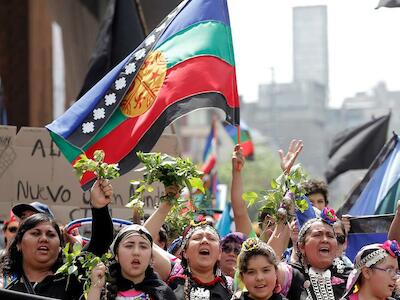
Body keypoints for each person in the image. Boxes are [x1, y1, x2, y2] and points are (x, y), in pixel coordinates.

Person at [2, 179, 114, 299]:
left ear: (61, 247)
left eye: (51, 234)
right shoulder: (7, 293)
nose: (44, 239)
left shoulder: (73, 278)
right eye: (35, 233)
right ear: (18, 244)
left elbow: (101, 240)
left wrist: (99, 207)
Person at [274, 208, 352, 300]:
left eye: (330, 236)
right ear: (302, 246)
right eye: (317, 235)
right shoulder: (290, 274)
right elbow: (267, 263)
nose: (325, 240)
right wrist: (281, 222)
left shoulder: (351, 275)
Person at [88, 224, 177, 300]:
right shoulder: (102, 289)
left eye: (143, 247)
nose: (136, 252)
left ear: (151, 257)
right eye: (129, 246)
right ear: (116, 255)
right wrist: (95, 288)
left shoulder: (164, 293)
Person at [167, 215, 233, 299]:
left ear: (219, 253)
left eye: (211, 238)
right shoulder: (172, 279)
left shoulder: (231, 288)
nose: (205, 241)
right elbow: (147, 243)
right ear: (185, 253)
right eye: (197, 238)